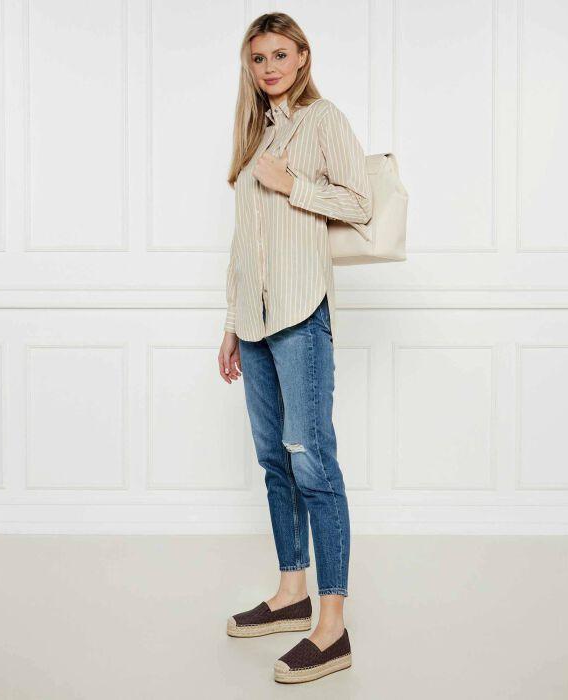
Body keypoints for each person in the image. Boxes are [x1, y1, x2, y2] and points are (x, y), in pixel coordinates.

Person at [217, 11, 372, 684]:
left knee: (313, 464)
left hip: (301, 313)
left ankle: (331, 627)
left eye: (281, 54)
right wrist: (231, 322)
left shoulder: (323, 120)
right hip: (253, 321)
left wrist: (292, 185)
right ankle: (291, 593)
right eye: (259, 58)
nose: (270, 67)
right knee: (273, 461)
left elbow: (361, 203)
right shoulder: (256, 134)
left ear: (303, 57)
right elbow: (244, 244)